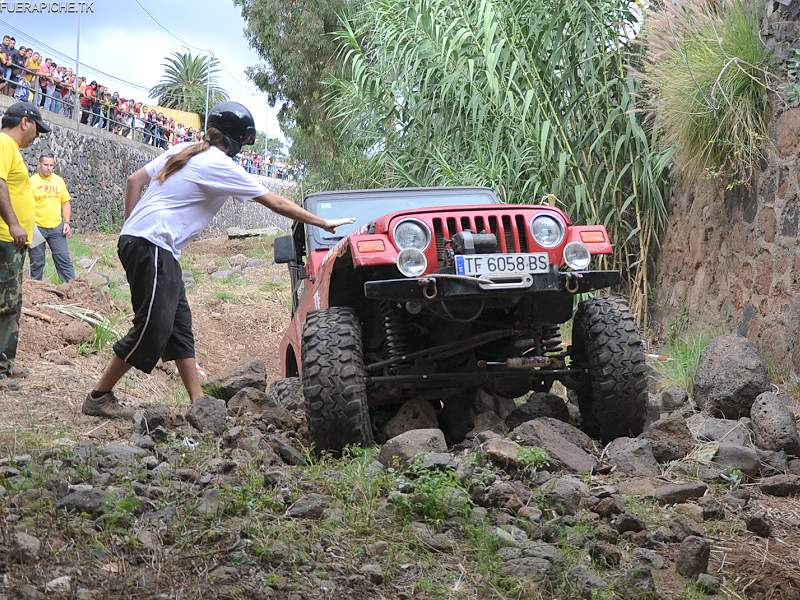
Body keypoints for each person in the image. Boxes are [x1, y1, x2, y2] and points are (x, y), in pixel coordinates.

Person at [83, 101, 353, 418]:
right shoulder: (220, 164)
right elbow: (277, 203)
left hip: (150, 243)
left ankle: (198, 403)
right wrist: (321, 222)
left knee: (179, 327)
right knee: (153, 327)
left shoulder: (185, 150)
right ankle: (99, 396)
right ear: (238, 139)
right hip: (152, 244)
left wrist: (131, 226)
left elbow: (134, 181)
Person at [0, 102, 50, 390]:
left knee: (11, 304)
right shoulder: (4, 144)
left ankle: (5, 364)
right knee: (5, 305)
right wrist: (14, 223)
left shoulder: (11, 149)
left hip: (13, 242)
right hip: (6, 239)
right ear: (24, 122)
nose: (37, 136)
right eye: (37, 129)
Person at [28, 151, 75, 283]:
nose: (49, 168)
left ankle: (73, 288)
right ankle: (36, 289)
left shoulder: (58, 181)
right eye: (46, 165)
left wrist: (67, 222)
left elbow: (65, 203)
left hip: (56, 228)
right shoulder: (31, 182)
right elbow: (25, 205)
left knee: (64, 260)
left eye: (51, 165)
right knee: (37, 263)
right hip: (36, 228)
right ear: (39, 164)